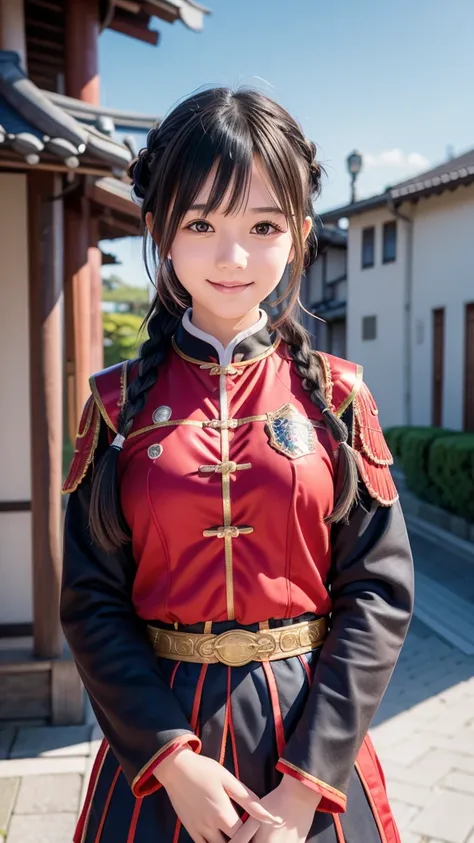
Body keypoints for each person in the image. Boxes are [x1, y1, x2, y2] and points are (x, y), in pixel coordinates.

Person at [61, 86, 414, 843]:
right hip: (158, 761)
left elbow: (379, 596)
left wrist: (303, 787)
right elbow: (91, 603)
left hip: (311, 747)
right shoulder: (115, 406)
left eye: (262, 225)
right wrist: (171, 762)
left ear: (301, 234)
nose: (233, 256)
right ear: (159, 228)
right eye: (200, 223)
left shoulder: (341, 397)